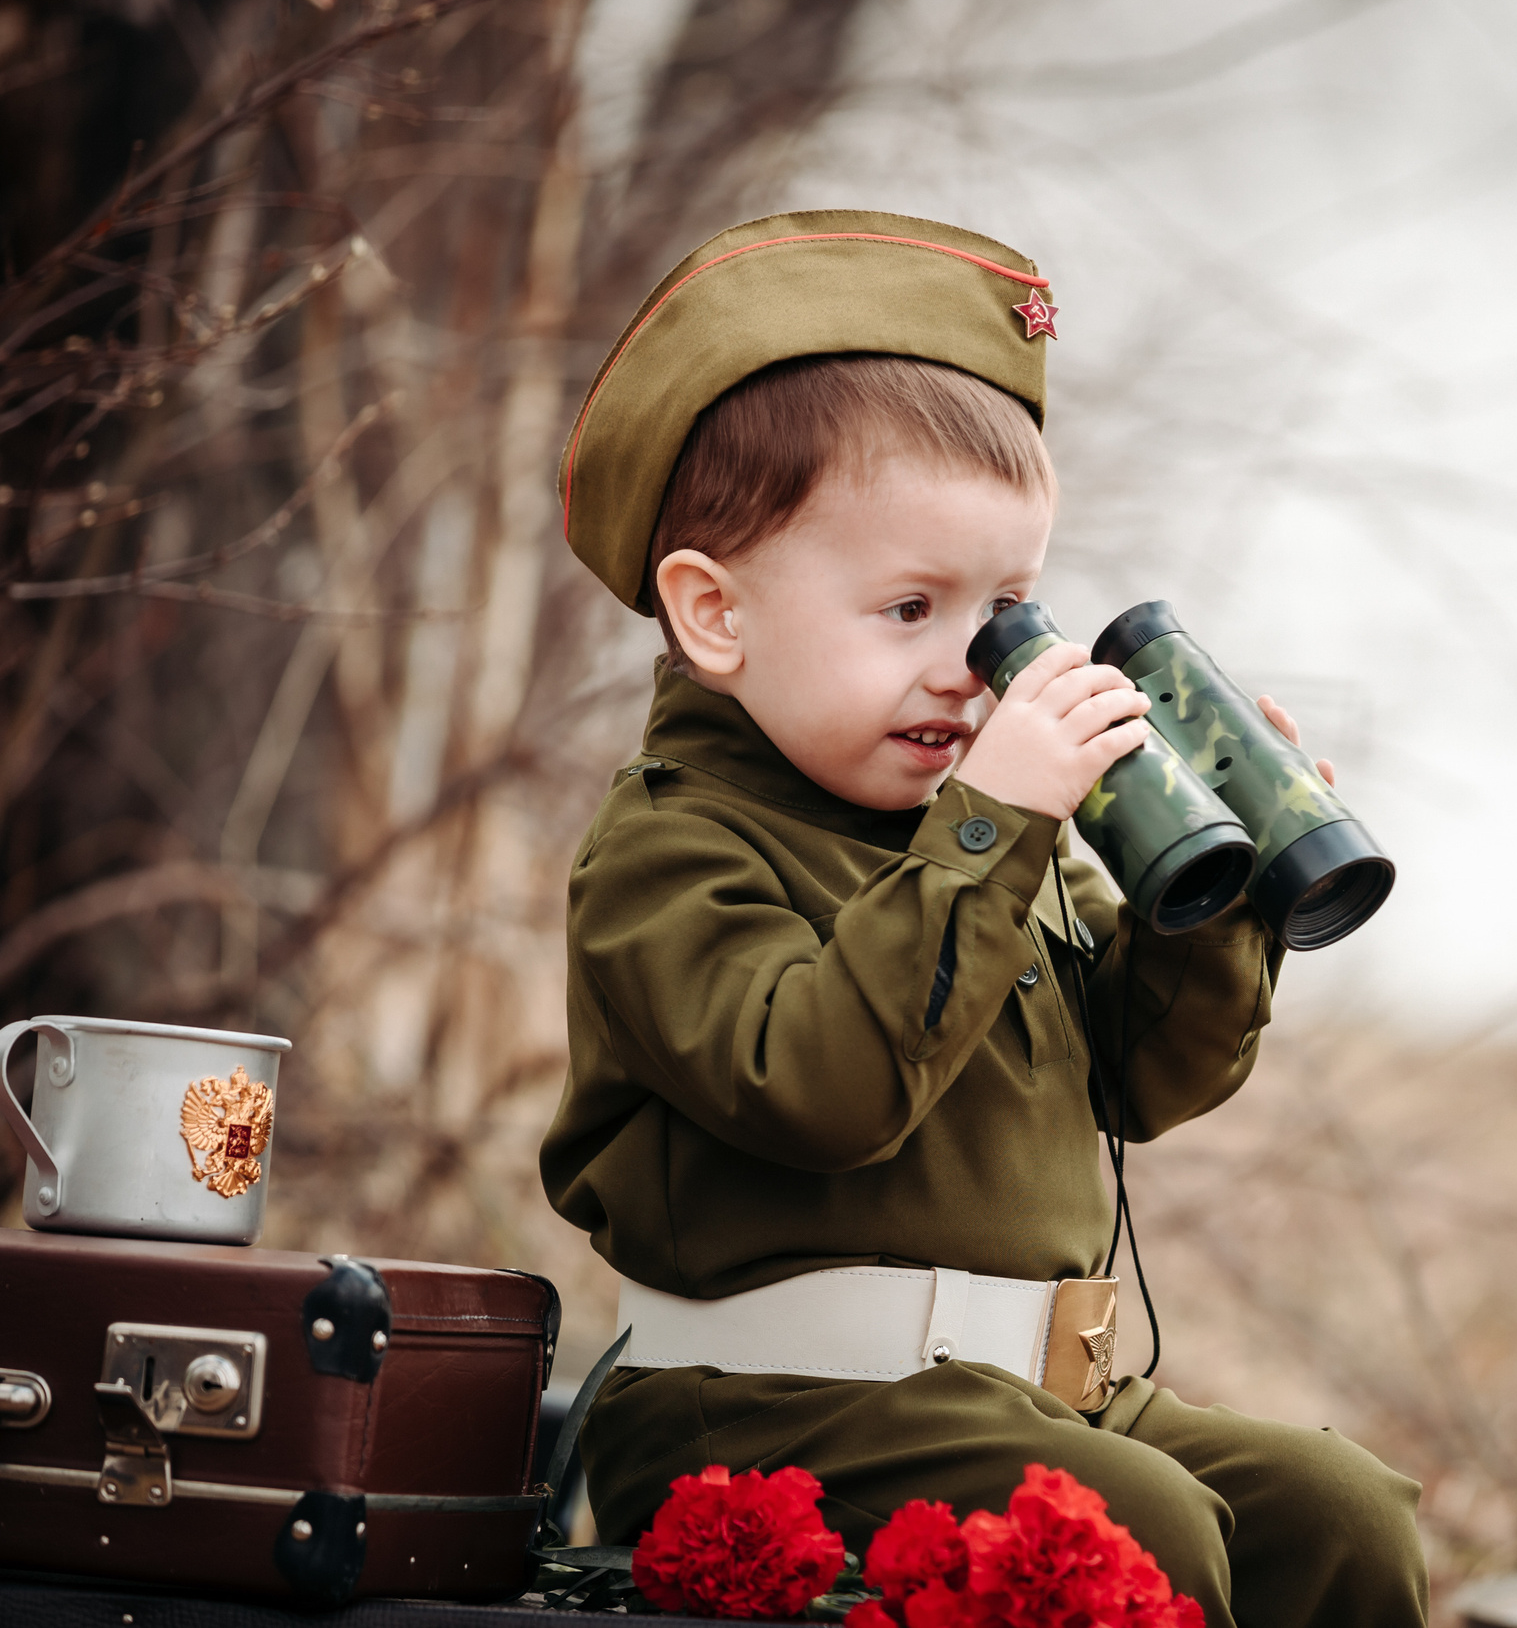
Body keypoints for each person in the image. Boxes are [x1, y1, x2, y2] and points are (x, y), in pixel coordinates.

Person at [539, 209, 1427, 1627]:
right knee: (1142, 1535)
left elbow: (1144, 1081)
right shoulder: (669, 850)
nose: (973, 669)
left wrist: (1215, 887)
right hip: (764, 1418)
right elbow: (816, 1087)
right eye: (908, 607)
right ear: (715, 616)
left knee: (1337, 1519)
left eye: (1008, 607)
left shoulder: (989, 834)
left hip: (1029, 1397)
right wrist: (994, 825)